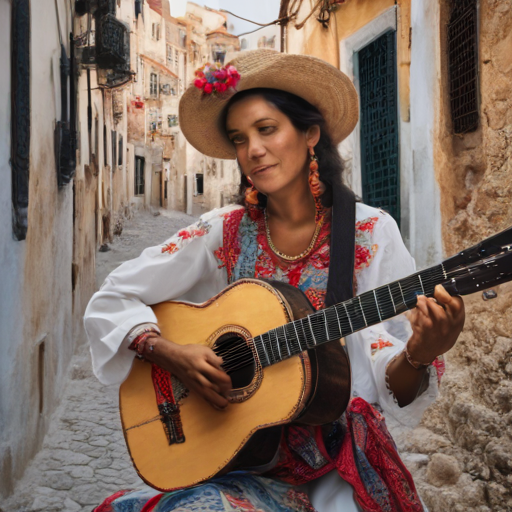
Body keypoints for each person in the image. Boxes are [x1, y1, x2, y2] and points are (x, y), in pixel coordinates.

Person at [84, 50, 465, 512]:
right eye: (239, 138)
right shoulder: (221, 230)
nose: (253, 151)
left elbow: (396, 385)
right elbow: (114, 295)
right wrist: (169, 352)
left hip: (333, 470)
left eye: (266, 129)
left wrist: (420, 354)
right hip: (236, 458)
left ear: (310, 135)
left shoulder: (369, 232)